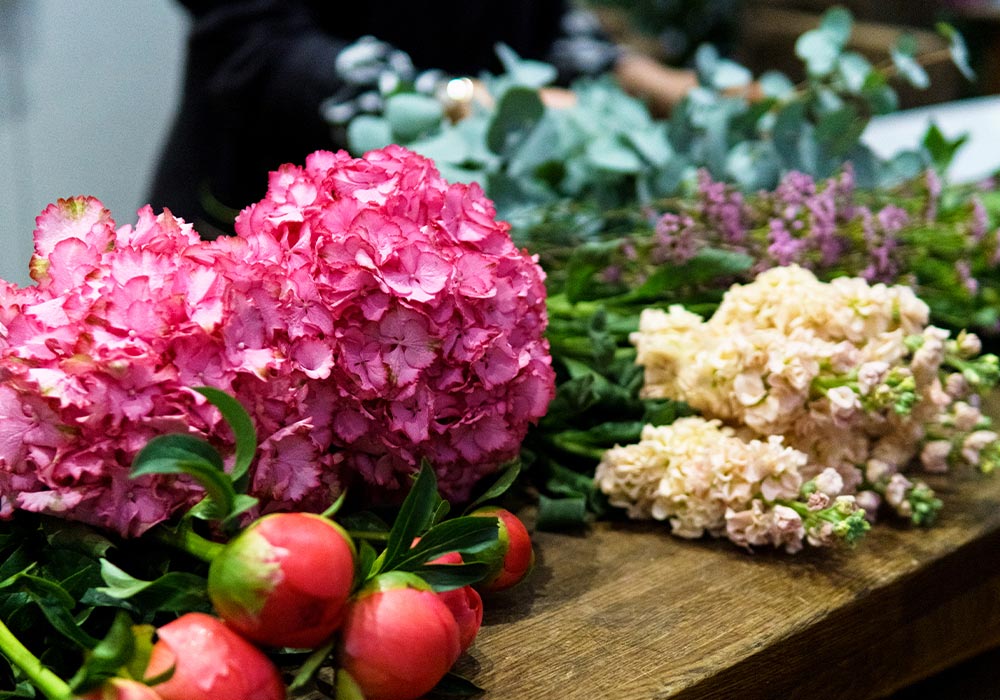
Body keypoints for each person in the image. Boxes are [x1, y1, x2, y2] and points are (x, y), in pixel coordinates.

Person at [148, 0, 700, 235]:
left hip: (451, 240)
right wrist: (459, 98)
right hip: (257, 217)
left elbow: (541, 19)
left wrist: (640, 76)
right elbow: (251, 38)